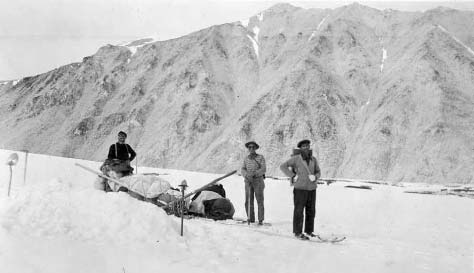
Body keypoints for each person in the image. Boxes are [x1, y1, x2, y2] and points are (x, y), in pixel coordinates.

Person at [280, 139, 321, 240]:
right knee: (299, 211)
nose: (306, 147)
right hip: (300, 189)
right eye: (304, 146)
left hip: (312, 189)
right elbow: (283, 166)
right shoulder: (296, 159)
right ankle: (297, 232)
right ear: (300, 148)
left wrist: (315, 177)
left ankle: (309, 231)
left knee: (311, 211)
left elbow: (318, 171)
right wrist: (293, 175)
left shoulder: (313, 159)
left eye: (307, 145)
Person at [241, 141, 266, 225]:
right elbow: (243, 169)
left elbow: (263, 169)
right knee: (248, 200)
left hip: (258, 181)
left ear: (255, 148)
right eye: (249, 147)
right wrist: (246, 175)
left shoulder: (260, 157)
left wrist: (254, 174)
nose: (251, 148)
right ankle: (250, 218)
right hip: (248, 181)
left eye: (253, 147)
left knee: (259, 200)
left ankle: (260, 219)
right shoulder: (246, 158)